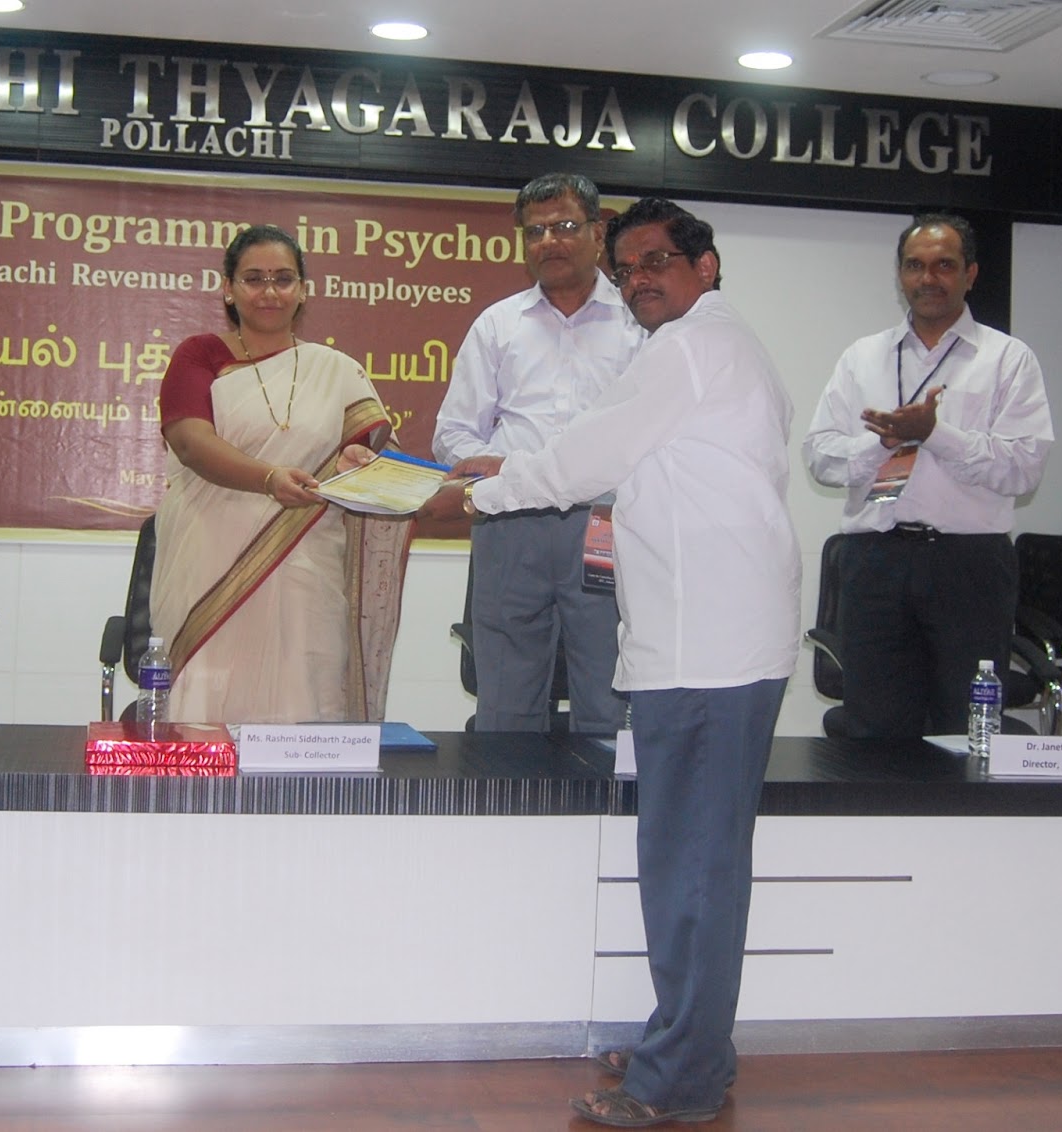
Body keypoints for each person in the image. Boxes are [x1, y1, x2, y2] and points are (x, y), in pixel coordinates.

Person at [422, 198, 800, 1126]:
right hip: (709, 639)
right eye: (627, 269)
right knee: (695, 859)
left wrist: (475, 497)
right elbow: (616, 460)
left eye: (657, 262)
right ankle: (693, 1040)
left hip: (708, 648)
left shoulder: (690, 349)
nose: (638, 281)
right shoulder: (717, 346)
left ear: (707, 266)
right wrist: (503, 477)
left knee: (692, 866)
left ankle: (681, 1079)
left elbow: (585, 457)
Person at [803, 213, 1052, 739]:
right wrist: (884, 441)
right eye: (915, 266)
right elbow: (820, 457)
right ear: (900, 275)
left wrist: (936, 434)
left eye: (944, 265)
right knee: (874, 726)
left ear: (970, 274)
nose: (928, 278)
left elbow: (1024, 468)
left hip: (969, 565)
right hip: (875, 561)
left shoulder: (1008, 359)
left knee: (966, 727)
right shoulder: (863, 357)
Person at [150, 224, 411, 724]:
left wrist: (359, 465)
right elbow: (189, 442)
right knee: (206, 702)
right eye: (253, 279)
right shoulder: (200, 354)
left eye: (283, 279)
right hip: (208, 560)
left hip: (305, 562)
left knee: (300, 693)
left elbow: (370, 460)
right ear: (228, 289)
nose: (269, 291)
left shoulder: (336, 370)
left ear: (303, 289)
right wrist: (269, 480)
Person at [433, 172, 645, 735]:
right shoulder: (498, 324)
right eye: (535, 232)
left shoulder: (637, 324)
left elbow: (653, 435)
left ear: (598, 234)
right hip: (510, 524)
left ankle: (603, 794)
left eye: (565, 226)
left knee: (608, 698)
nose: (549, 241)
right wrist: (505, 471)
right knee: (506, 703)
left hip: (607, 525)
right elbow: (454, 434)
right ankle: (509, 796)